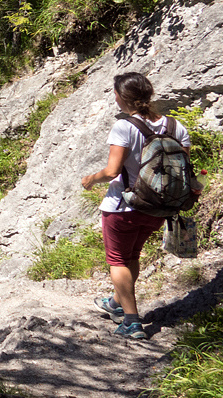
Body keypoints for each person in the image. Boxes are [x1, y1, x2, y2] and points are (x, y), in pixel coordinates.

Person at [81, 72, 191, 341]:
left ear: (120, 97)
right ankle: (115, 303)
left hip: (123, 206)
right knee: (132, 257)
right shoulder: (177, 127)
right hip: (158, 208)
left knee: (118, 260)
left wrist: (90, 180)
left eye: (115, 93)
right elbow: (186, 172)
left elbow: (111, 171)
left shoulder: (124, 127)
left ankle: (131, 322)